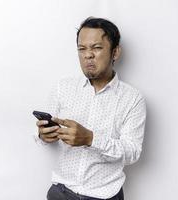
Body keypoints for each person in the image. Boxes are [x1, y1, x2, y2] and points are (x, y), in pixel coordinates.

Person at [34, 17, 146, 200]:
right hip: (60, 193)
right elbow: (44, 135)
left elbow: (132, 152)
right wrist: (43, 135)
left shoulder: (132, 99)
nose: (88, 55)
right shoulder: (63, 87)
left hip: (104, 195)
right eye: (82, 49)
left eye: (96, 47)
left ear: (115, 52)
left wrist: (90, 139)